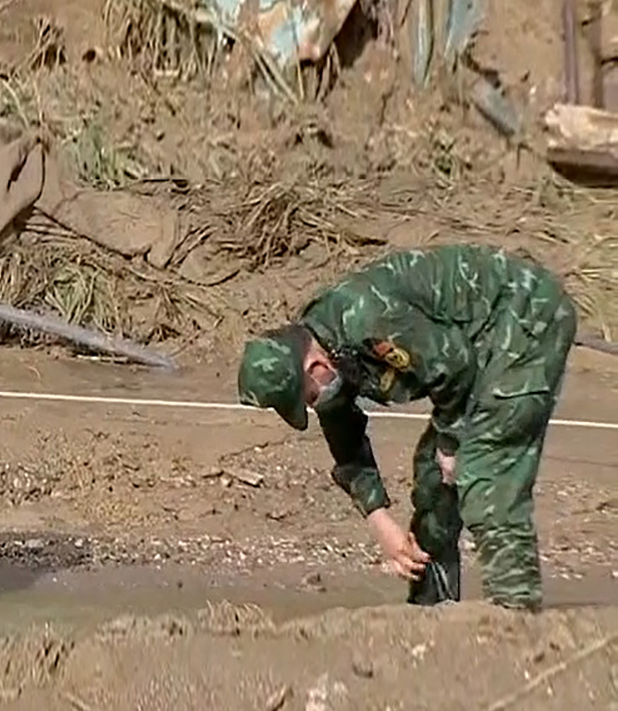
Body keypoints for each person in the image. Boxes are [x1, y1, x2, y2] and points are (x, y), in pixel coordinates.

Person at [235, 244, 578, 612]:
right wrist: (380, 522)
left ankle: (517, 617)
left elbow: (453, 365)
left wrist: (450, 442)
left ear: (314, 366)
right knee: (433, 479)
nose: (310, 404)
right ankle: (433, 610)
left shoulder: (366, 318)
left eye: (305, 396)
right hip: (476, 351)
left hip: (524, 317)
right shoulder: (330, 355)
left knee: (484, 470)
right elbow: (346, 442)